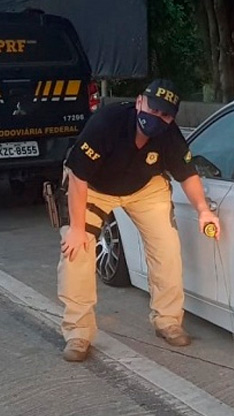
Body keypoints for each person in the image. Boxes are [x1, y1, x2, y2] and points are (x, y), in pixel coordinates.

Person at [57, 79, 220, 362]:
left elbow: (187, 174)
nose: (157, 118)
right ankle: (78, 332)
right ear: (139, 102)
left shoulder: (169, 136)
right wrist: (77, 229)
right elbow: (78, 176)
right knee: (77, 251)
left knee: (167, 249)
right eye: (153, 110)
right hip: (94, 188)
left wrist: (203, 210)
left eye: (165, 115)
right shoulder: (108, 122)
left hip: (145, 188)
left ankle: (168, 321)